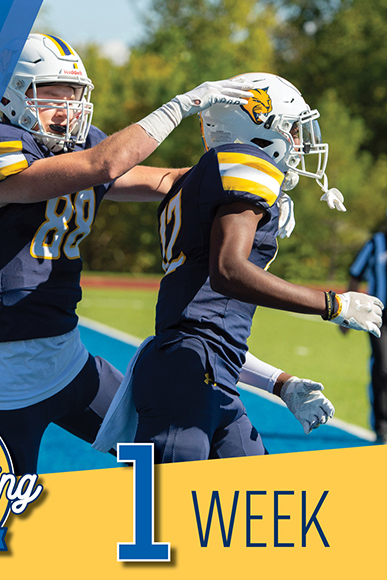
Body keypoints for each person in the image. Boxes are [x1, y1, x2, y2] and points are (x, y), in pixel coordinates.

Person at [0, 35, 332, 474]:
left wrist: (257, 189)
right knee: (1, 523)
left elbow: (169, 180)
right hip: (3, 374)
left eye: (74, 96)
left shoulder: (78, 146)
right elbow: (103, 167)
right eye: (52, 94)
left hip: (68, 359)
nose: (68, 109)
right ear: (9, 95)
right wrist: (180, 105)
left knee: (177, 451)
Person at [97, 72, 383, 463]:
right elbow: (228, 271)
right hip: (188, 374)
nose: (300, 143)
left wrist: (280, 384)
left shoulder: (197, 179)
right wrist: (331, 304)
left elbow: (209, 331)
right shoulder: (245, 164)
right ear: (257, 128)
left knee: (256, 513)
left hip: (205, 371)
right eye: (293, 130)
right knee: (161, 516)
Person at [342, 214, 387, 444]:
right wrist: (348, 311)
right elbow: (355, 274)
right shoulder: (376, 243)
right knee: (383, 367)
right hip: (380, 317)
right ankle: (382, 426)